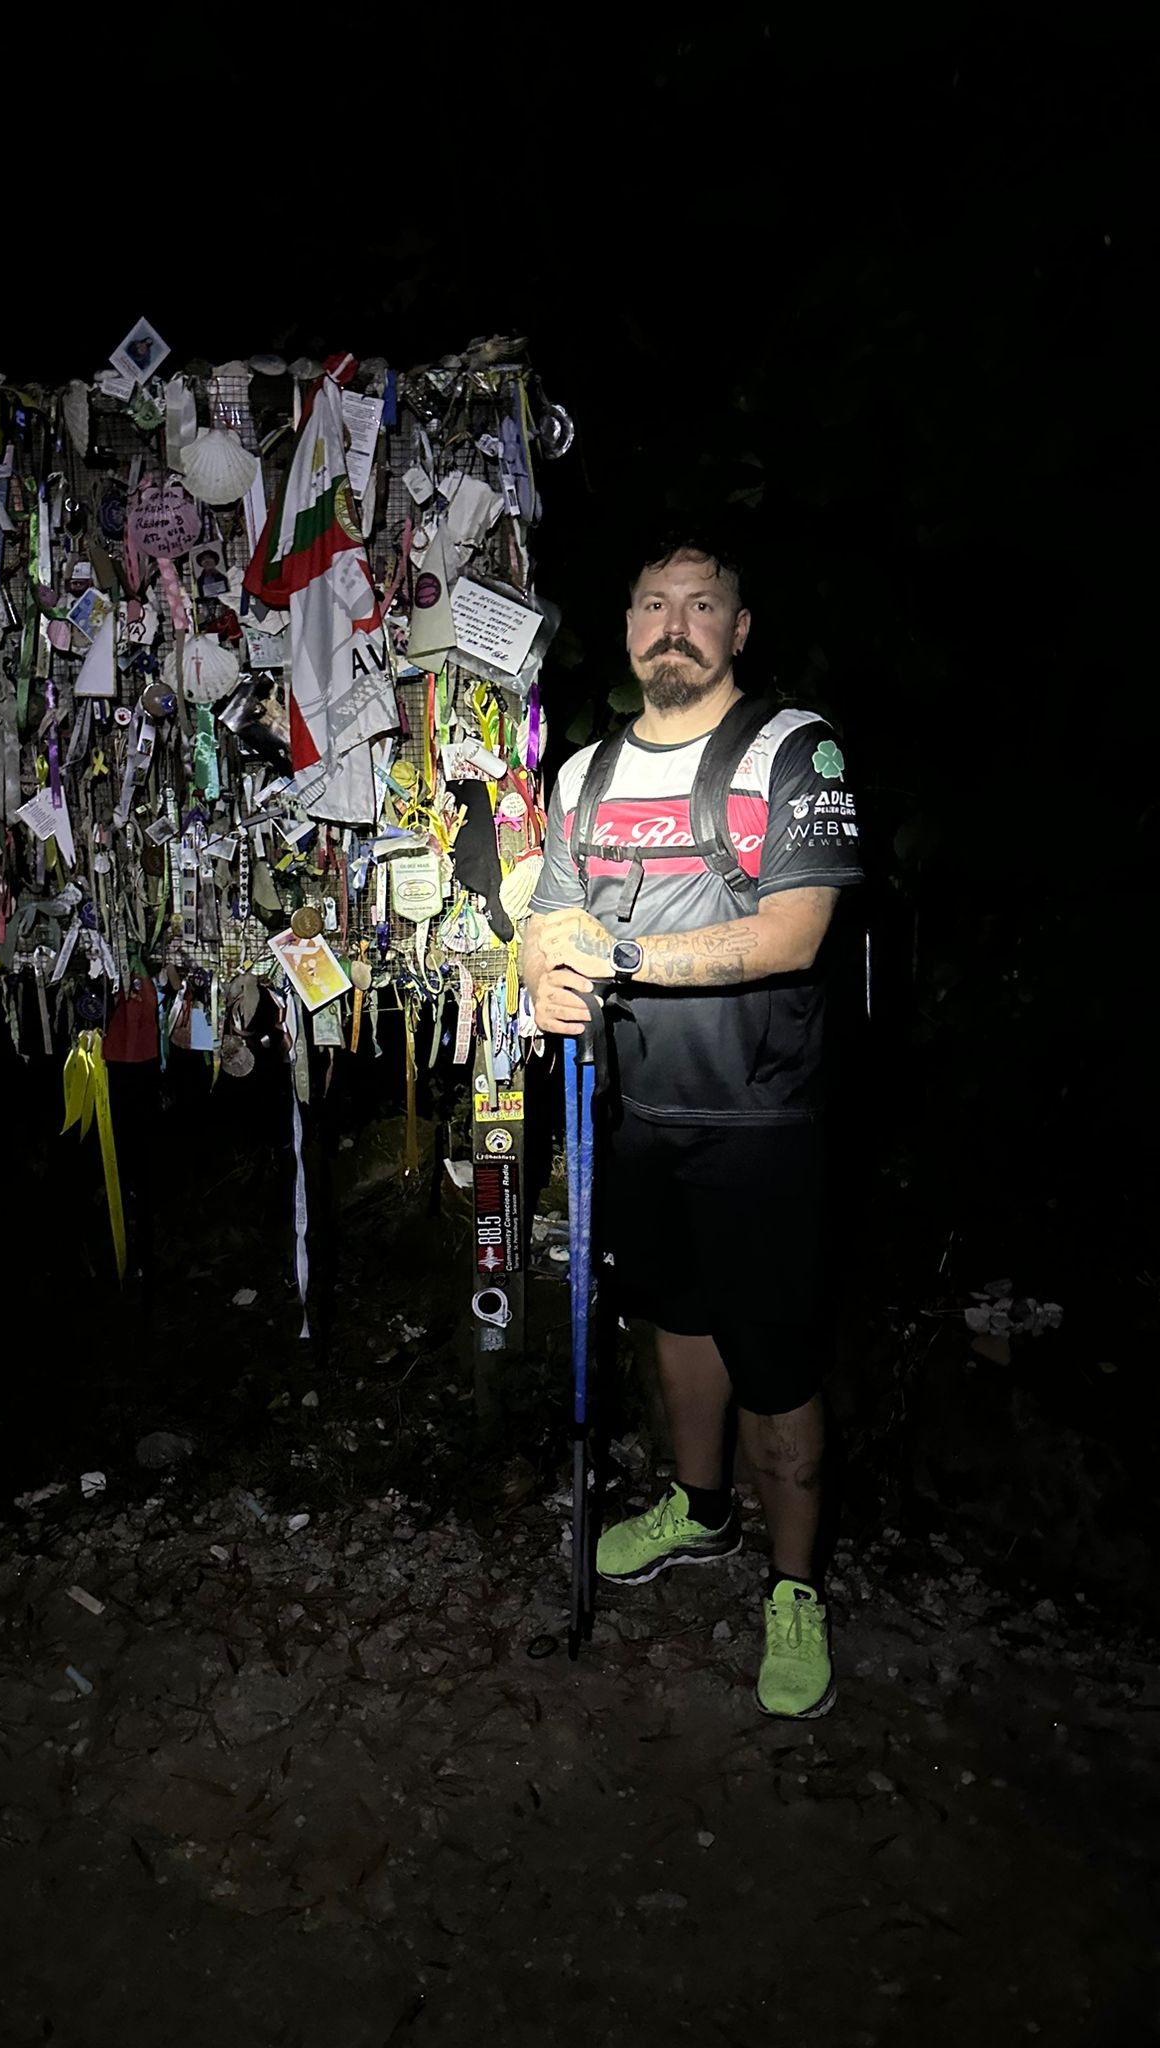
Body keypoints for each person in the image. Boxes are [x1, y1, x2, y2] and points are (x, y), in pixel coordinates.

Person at [521, 536, 863, 1718]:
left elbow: (794, 933)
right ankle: (701, 1509)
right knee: (674, 1318)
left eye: (703, 604)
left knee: (775, 1356)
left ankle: (796, 1583)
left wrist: (616, 957)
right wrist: (538, 968)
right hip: (637, 1110)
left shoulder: (790, 749)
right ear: (626, 630)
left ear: (739, 627)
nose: (677, 623)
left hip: (762, 1116)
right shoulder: (581, 775)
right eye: (655, 604)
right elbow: (551, 911)